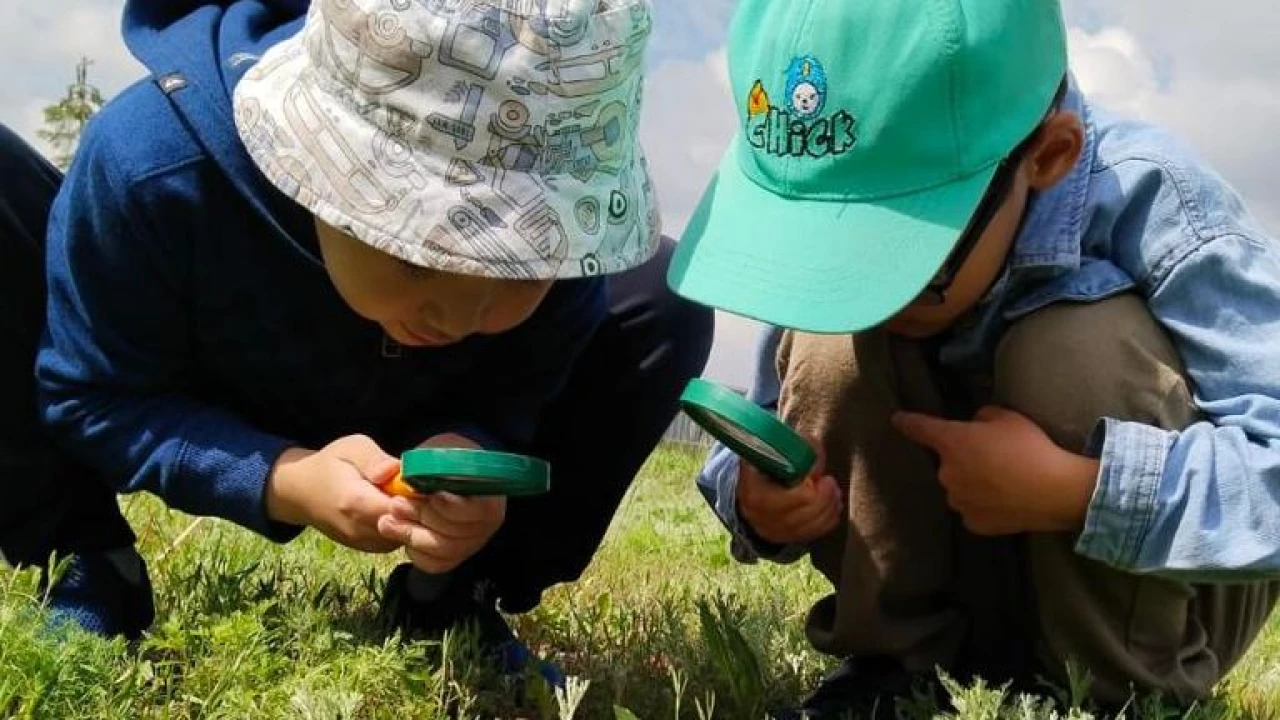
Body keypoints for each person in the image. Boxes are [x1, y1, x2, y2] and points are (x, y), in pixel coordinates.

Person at [0, 0, 712, 685]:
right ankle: (80, 553)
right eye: (416, 253)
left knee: (662, 296)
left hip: (412, 401)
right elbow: (90, 394)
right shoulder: (154, 166)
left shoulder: (564, 263)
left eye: (513, 267)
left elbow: (521, 384)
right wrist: (280, 478)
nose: (460, 312)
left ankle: (454, 593)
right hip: (211, 375)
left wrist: (478, 444)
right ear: (310, 157)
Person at [667, 0, 1280, 715]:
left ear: (1049, 156)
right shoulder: (852, 188)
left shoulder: (1160, 200)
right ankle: (892, 673)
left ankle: (1114, 692)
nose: (877, 308)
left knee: (1074, 353)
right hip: (953, 581)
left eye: (911, 275)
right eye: (836, 268)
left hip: (1136, 604)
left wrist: (1078, 491)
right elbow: (773, 420)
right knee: (832, 346)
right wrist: (754, 499)